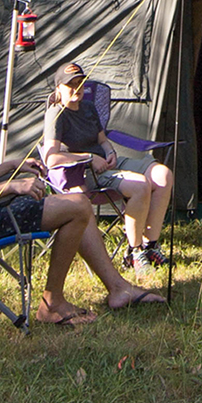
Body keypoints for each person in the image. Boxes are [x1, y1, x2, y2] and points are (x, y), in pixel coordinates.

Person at [0, 76, 164, 327]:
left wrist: (12, 165)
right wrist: (11, 186)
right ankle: (53, 304)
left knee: (76, 204)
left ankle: (117, 289)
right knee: (78, 206)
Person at [42, 63, 173, 276]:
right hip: (82, 173)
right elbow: (51, 159)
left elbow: (102, 140)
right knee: (140, 185)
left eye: (80, 83)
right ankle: (134, 251)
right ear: (58, 88)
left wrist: (109, 151)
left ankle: (151, 246)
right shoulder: (56, 115)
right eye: (70, 85)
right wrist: (88, 158)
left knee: (163, 175)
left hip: (106, 164)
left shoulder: (88, 108)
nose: (77, 89)